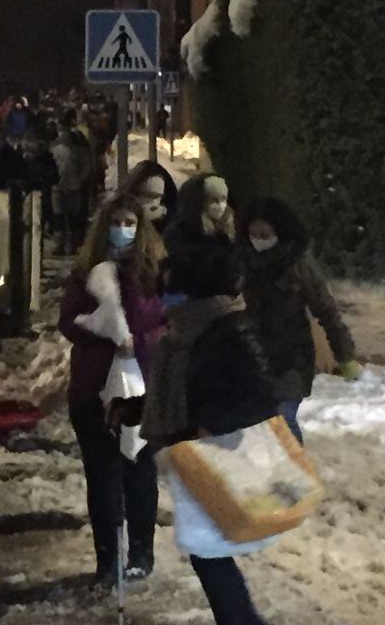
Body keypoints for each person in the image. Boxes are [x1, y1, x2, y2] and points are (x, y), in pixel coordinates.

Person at [141, 245, 278, 625]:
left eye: (174, 292)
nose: (166, 300)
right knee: (205, 550)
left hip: (219, 453)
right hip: (194, 451)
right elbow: (183, 393)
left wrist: (211, 426)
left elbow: (261, 394)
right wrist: (135, 410)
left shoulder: (228, 329)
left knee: (208, 549)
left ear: (197, 291)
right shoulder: (188, 334)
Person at [59, 195, 167, 585]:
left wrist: (137, 340)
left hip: (138, 388)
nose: (122, 229)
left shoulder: (154, 272)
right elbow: (68, 321)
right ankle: (107, 558)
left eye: (129, 222)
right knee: (102, 476)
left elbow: (167, 321)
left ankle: (141, 553)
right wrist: (100, 325)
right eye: (115, 221)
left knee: (138, 472)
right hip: (93, 389)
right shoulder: (86, 271)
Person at [240, 198, 360, 443]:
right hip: (253, 357)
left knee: (284, 418)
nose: (258, 240)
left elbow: (326, 310)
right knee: (262, 423)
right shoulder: (242, 262)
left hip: (292, 358)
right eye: (253, 234)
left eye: (265, 234)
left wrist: (344, 354)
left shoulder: (297, 264)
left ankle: (297, 472)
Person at [50, 115, 95, 255]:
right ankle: (61, 244)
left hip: (73, 188)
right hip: (58, 188)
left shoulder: (78, 150)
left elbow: (86, 166)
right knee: (59, 218)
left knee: (71, 218)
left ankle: (71, 244)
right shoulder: (54, 148)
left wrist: (79, 179)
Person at [164, 173, 234, 257]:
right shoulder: (177, 232)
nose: (220, 205)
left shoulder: (230, 231)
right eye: (214, 200)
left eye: (223, 199)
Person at [117, 160, 179, 236]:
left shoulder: (170, 225)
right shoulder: (115, 217)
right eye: (147, 195)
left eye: (157, 197)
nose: (153, 203)